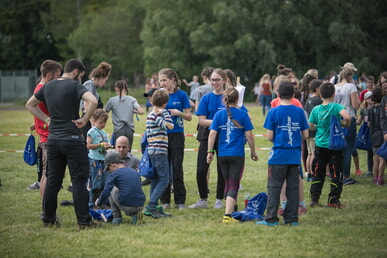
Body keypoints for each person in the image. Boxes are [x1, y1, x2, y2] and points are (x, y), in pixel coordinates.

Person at [25, 58, 100, 229]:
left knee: (53, 181)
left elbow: (30, 104)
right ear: (75, 72)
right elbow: (93, 101)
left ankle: (48, 218)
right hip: (73, 139)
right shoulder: (74, 86)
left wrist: (46, 119)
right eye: (80, 75)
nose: (79, 79)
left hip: (53, 140)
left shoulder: (48, 86)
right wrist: (85, 119)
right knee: (79, 181)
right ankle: (84, 222)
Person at [190, 68, 249, 209]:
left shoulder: (230, 97)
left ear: (224, 81)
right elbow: (201, 121)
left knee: (222, 170)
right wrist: (219, 121)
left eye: (217, 80)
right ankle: (203, 199)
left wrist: (228, 121)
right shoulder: (206, 98)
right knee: (201, 169)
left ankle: (219, 199)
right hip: (208, 135)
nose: (214, 82)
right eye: (212, 80)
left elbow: (245, 115)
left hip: (225, 137)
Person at [257, 82, 309, 226]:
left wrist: (281, 140)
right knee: (293, 187)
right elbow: (305, 134)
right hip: (294, 155)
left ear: (278, 95)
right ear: (293, 95)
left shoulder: (273, 112)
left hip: (278, 155)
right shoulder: (299, 111)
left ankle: (271, 218)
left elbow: (269, 136)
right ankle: (292, 219)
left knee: (274, 187)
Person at [206, 87, 258, 223]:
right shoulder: (242, 115)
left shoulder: (219, 115)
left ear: (225, 100)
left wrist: (209, 152)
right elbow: (249, 135)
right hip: (237, 154)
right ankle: (228, 215)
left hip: (222, 154)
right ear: (238, 100)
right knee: (233, 184)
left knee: (227, 182)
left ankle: (233, 208)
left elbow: (212, 134)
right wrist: (253, 151)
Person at [308, 82, 351, 208]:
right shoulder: (336, 107)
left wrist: (319, 126)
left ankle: (314, 199)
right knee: (336, 172)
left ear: (320, 94)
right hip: (334, 146)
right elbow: (347, 117)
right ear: (333, 94)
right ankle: (333, 200)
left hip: (320, 145)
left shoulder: (316, 109)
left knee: (318, 171)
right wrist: (344, 124)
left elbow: (310, 125)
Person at [158, 68, 192, 210]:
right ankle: (165, 200)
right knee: (163, 168)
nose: (162, 83)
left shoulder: (182, 95)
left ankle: (180, 201)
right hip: (162, 134)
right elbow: (153, 112)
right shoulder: (160, 94)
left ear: (173, 79)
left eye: (164, 80)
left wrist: (179, 113)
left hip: (177, 134)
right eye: (160, 80)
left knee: (177, 167)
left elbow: (189, 117)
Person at [27, 60, 63, 193]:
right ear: (49, 75)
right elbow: (32, 106)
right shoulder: (44, 90)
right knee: (48, 176)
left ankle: (46, 210)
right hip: (48, 138)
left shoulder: (39, 88)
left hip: (46, 137)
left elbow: (40, 110)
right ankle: (46, 211)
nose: (59, 79)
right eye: (58, 75)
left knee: (46, 175)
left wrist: (38, 120)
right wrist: (47, 120)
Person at [143, 89, 174, 218]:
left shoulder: (150, 114)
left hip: (152, 150)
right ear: (164, 103)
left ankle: (154, 206)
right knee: (165, 179)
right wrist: (165, 113)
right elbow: (170, 126)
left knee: (156, 179)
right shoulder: (156, 115)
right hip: (159, 151)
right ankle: (151, 206)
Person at [95, 152, 146, 225]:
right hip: (141, 204)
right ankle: (134, 215)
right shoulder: (133, 171)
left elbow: (106, 191)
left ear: (112, 165)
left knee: (112, 190)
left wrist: (99, 202)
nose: (109, 171)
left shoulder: (113, 174)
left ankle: (117, 217)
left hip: (128, 206)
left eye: (108, 168)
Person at [334, 68, 361, 185]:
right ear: (350, 76)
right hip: (348, 117)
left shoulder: (334, 87)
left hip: (337, 118)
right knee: (348, 149)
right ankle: (346, 176)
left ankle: (337, 174)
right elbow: (355, 105)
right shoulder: (351, 87)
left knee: (338, 149)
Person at [105, 80, 144, 150]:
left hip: (118, 129)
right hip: (129, 129)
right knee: (128, 152)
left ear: (116, 89)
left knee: (118, 152)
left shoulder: (112, 100)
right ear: (126, 89)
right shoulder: (132, 99)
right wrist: (134, 111)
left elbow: (105, 113)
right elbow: (141, 112)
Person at [80, 62, 112, 140]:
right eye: (105, 80)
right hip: (88, 122)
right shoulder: (90, 84)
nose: (105, 83)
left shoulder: (93, 87)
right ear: (101, 77)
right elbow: (87, 104)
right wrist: (92, 123)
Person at [86, 109, 111, 208]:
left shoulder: (104, 132)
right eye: (101, 122)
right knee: (96, 183)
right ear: (94, 120)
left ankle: (102, 202)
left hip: (103, 160)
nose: (103, 124)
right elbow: (88, 146)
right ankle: (92, 203)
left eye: (104, 122)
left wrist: (108, 146)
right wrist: (100, 145)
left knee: (104, 183)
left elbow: (106, 144)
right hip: (95, 161)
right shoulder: (91, 132)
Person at [303, 79, 323, 181]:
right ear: (317, 89)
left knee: (309, 153)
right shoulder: (318, 101)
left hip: (307, 130)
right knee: (314, 154)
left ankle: (309, 174)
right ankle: (314, 174)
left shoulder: (308, 100)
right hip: (315, 131)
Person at [368, 87, 385, 185]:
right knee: (382, 158)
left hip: (373, 135)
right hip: (382, 134)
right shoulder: (382, 108)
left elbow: (369, 124)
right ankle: (380, 178)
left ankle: (374, 178)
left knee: (375, 158)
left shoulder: (370, 109)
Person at [357, 91, 374, 177]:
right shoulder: (363, 110)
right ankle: (370, 170)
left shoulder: (376, 108)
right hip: (367, 132)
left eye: (372, 97)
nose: (371, 99)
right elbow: (359, 121)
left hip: (374, 130)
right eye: (369, 97)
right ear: (366, 100)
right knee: (369, 151)